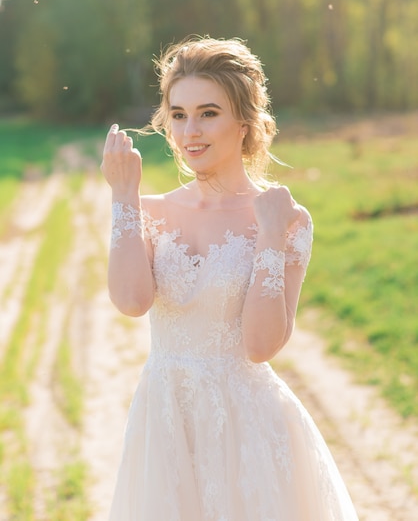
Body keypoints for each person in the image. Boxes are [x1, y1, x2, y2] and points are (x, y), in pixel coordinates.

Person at [101, 36, 359, 521]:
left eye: (208, 113)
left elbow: (261, 345)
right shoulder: (148, 211)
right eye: (177, 114)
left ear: (245, 122)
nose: (189, 131)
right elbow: (132, 301)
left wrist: (268, 236)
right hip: (165, 422)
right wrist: (123, 196)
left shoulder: (285, 218)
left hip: (249, 432)